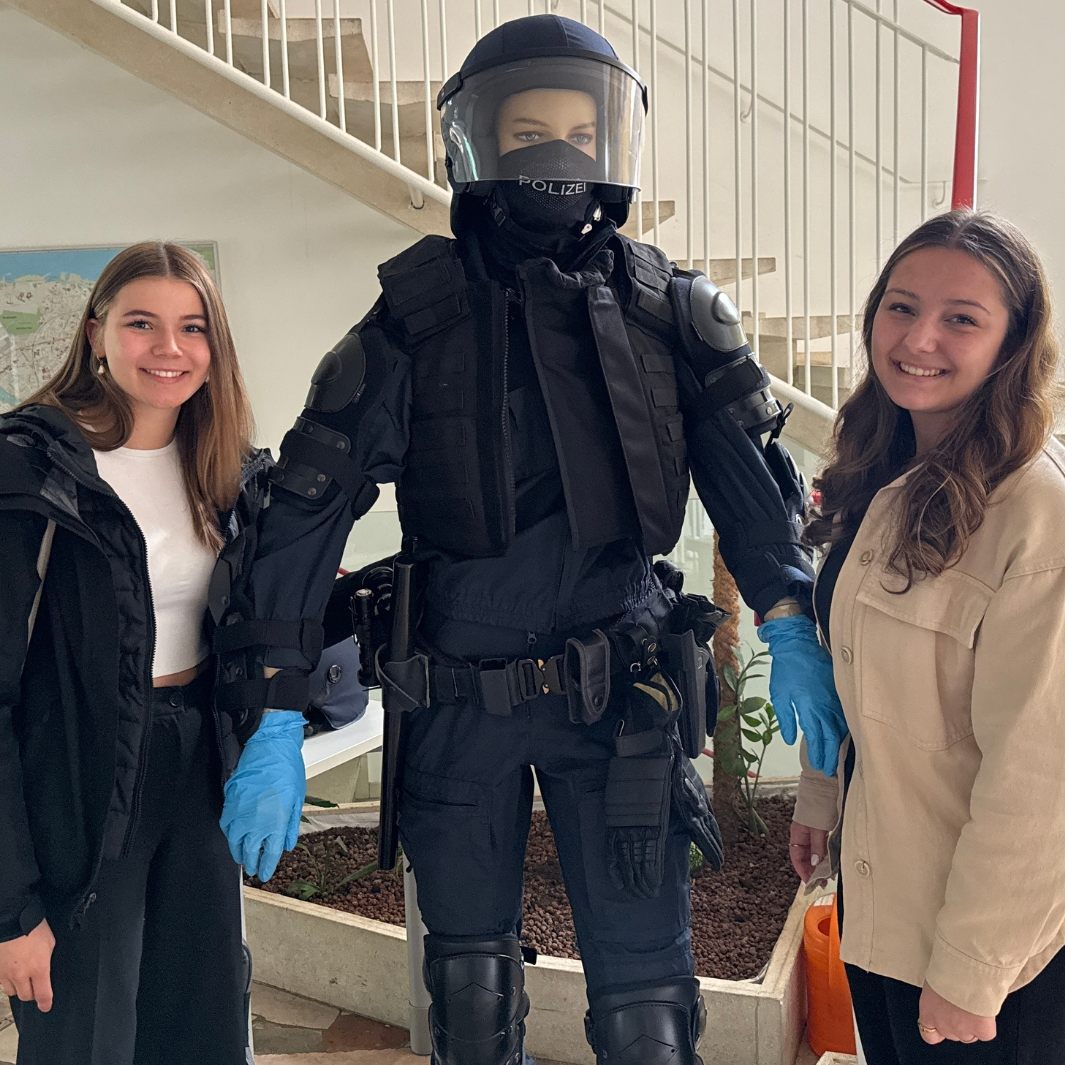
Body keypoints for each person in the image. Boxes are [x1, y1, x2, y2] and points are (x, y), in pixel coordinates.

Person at [214, 15, 841, 1065]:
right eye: (528, 131)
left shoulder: (672, 314)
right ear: (478, 144)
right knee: (467, 999)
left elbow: (749, 479)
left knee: (649, 1005)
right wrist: (276, 707)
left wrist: (788, 615)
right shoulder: (413, 322)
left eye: (579, 132)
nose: (558, 153)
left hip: (623, 696)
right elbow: (307, 511)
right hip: (458, 697)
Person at [788, 210, 1065, 1064]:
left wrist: (974, 969)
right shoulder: (879, 468)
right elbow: (860, 661)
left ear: (1012, 345)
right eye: (901, 306)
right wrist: (820, 794)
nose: (918, 339)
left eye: (961, 318)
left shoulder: (1036, 514)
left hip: (988, 946)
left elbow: (1040, 775)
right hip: (887, 907)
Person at [0, 241, 268, 1064]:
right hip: (78, 775)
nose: (169, 348)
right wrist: (10, 910)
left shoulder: (226, 471)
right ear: (95, 333)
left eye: (193, 327)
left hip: (197, 765)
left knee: (201, 1023)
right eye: (141, 323)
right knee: (86, 1034)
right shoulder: (30, 472)